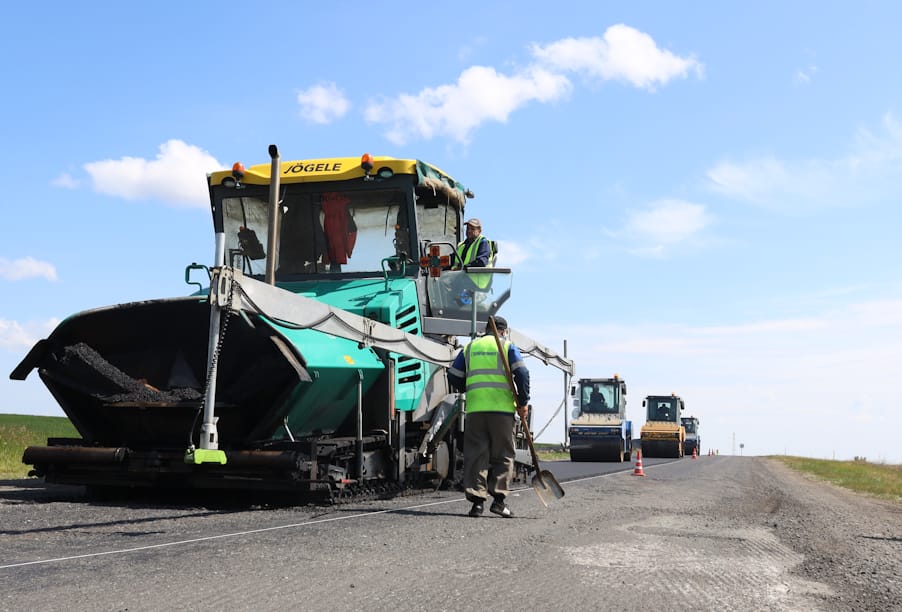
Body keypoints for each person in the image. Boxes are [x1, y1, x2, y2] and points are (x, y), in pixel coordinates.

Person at [447, 316, 530, 518]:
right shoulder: (507, 346)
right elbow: (522, 373)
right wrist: (522, 401)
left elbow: (453, 375)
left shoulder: (470, 348)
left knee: (476, 455)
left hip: (475, 410)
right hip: (501, 410)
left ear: (485, 330)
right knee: (503, 455)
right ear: (503, 331)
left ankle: (476, 504)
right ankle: (499, 502)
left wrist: (469, 389)